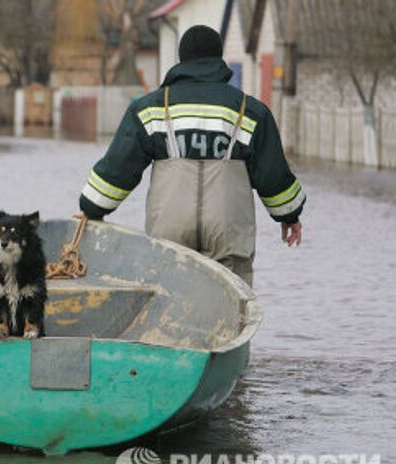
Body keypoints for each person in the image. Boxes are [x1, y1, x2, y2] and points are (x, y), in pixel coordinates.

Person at [78, 25, 305, 286]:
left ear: (181, 58)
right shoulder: (251, 111)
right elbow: (273, 175)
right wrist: (290, 215)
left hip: (170, 227)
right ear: (219, 58)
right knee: (230, 298)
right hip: (227, 227)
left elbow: (119, 169)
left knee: (169, 294)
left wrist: (91, 209)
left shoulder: (149, 109)